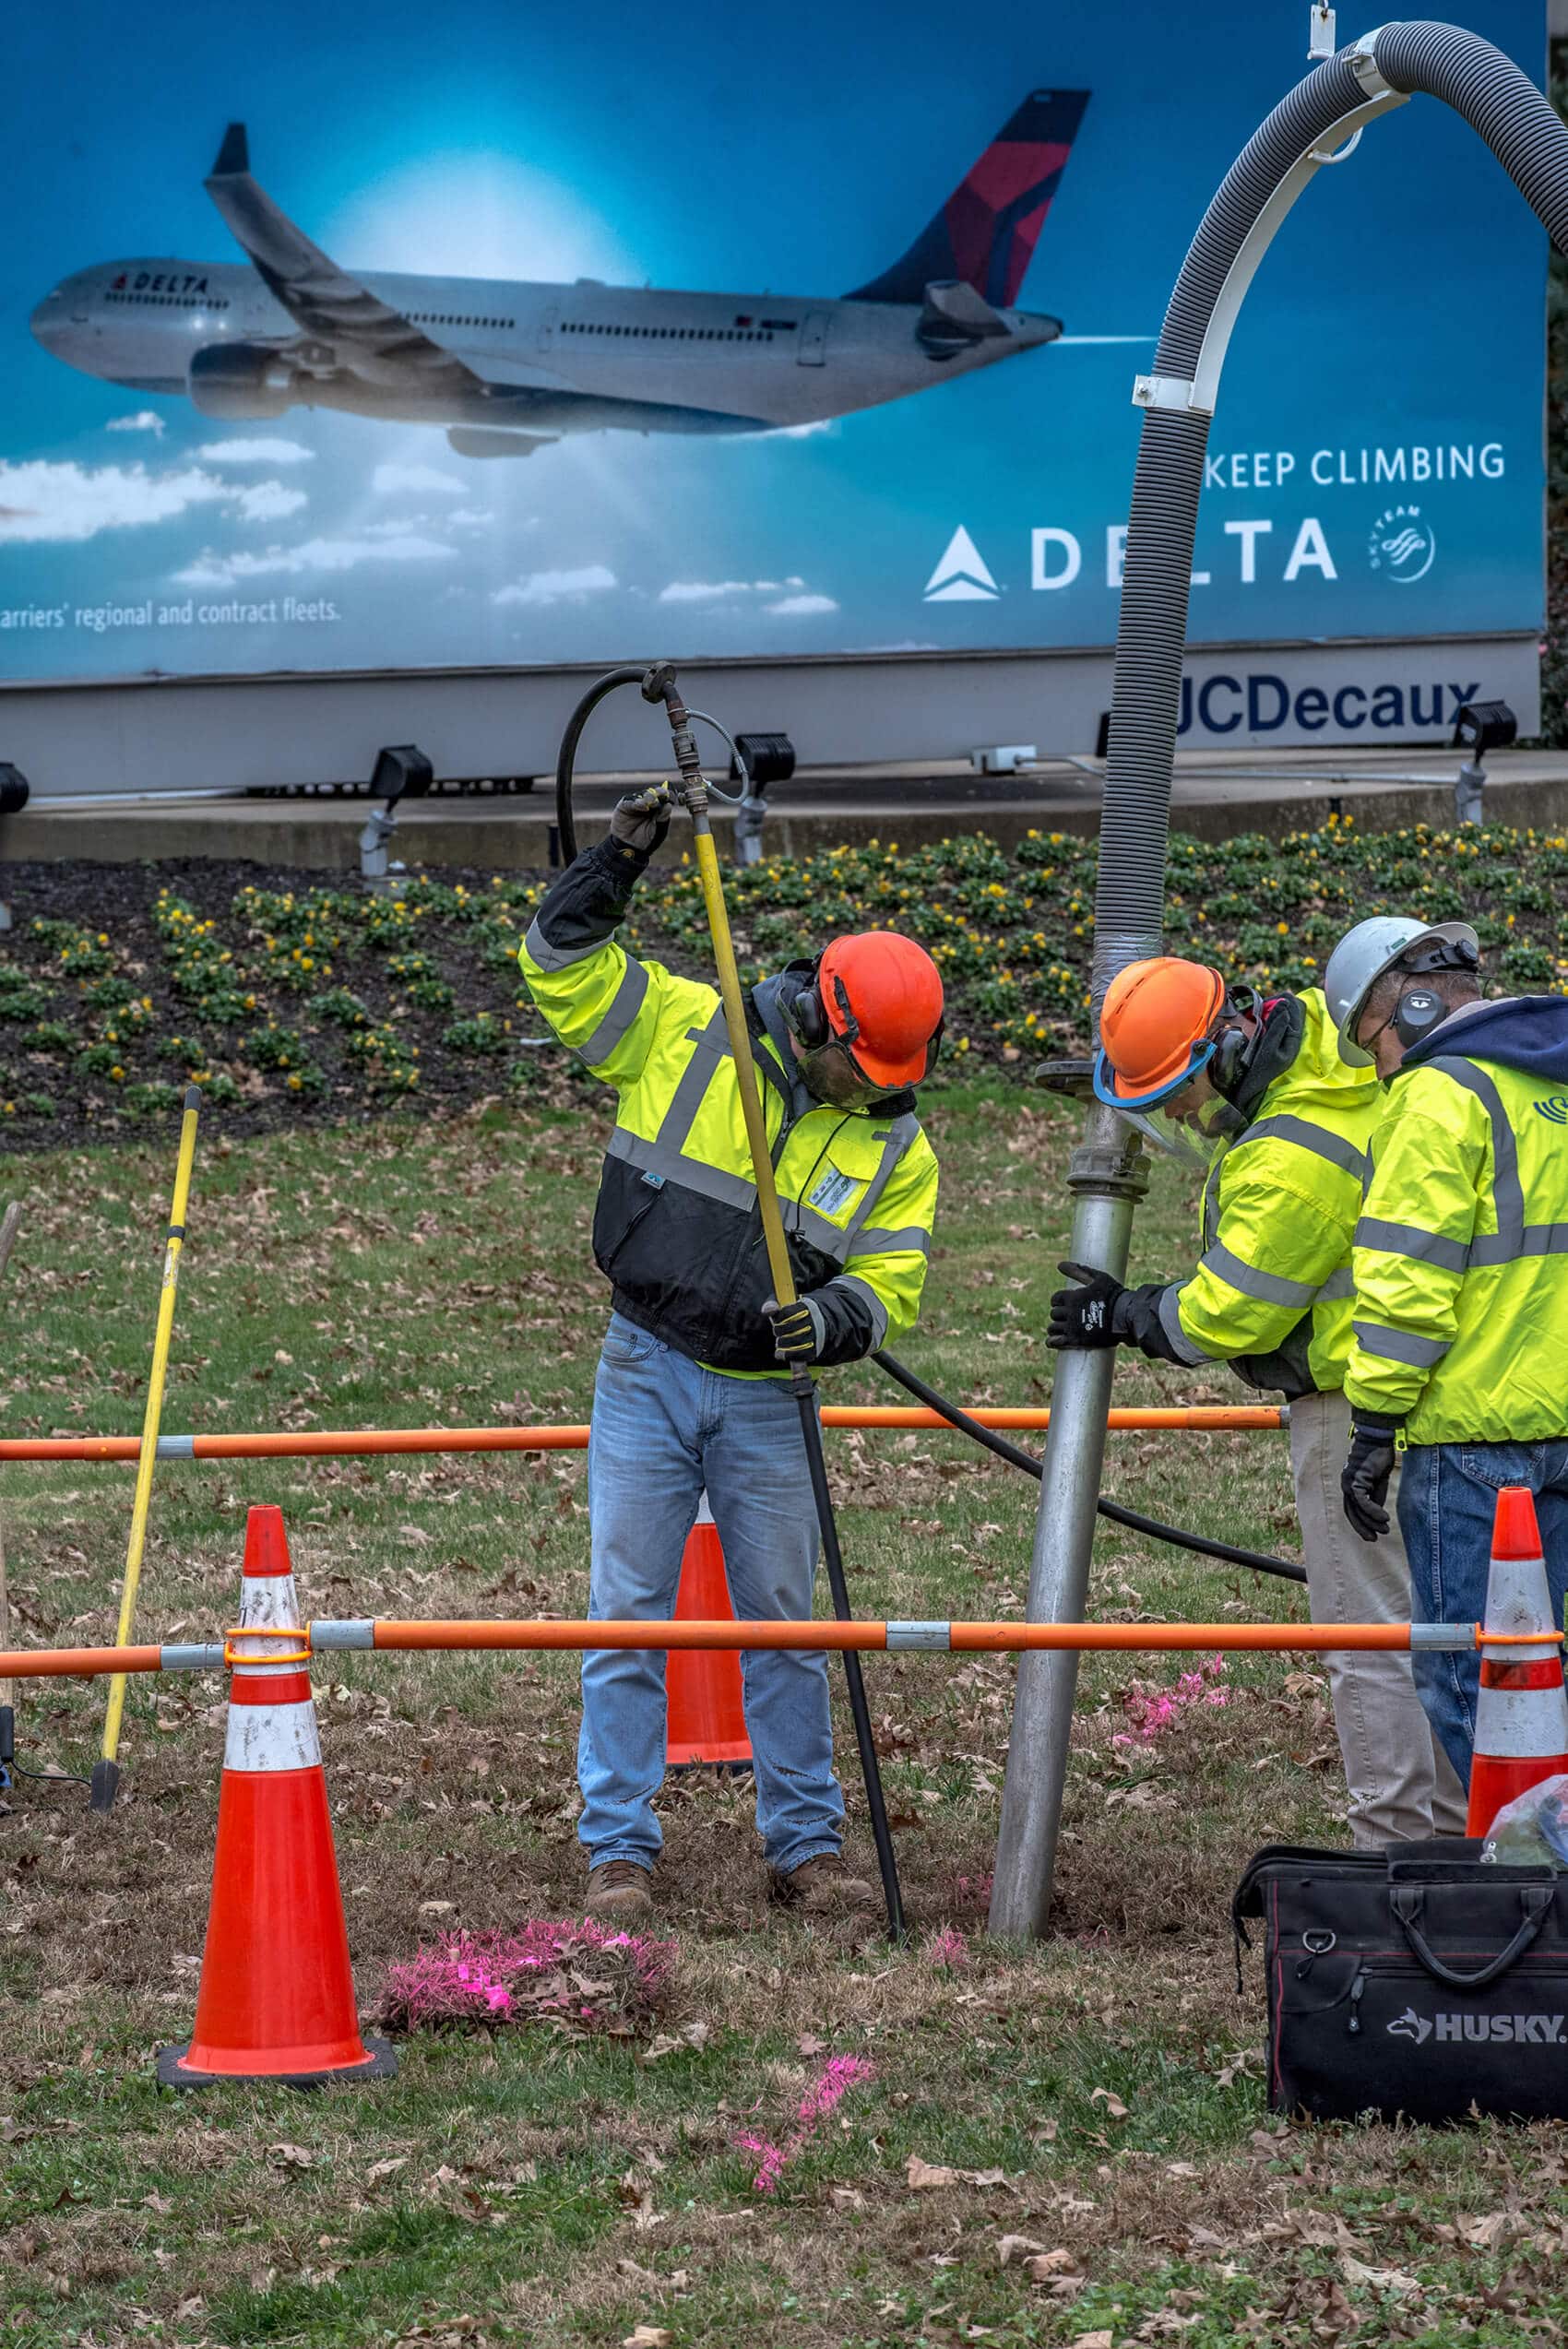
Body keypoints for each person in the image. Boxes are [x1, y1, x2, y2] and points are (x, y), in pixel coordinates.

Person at [519, 784, 944, 1920]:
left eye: (895, 1083)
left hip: (769, 1400)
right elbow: (557, 966)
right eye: (864, 1073)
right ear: (813, 1021)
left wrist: (840, 1319)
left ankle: (804, 1849)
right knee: (627, 1615)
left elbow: (891, 1278)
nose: (879, 1098)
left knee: (786, 1629)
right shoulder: (683, 1025)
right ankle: (617, 1848)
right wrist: (618, 856)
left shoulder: (896, 1143)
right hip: (644, 1364)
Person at [1048, 954, 1465, 1846]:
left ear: (1222, 1054)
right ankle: (1459, 1831)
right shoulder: (1333, 1038)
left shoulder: (1284, 1159)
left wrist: (1129, 1312)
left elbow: (1231, 1312)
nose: (1181, 1118)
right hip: (1434, 1385)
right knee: (1435, 1622)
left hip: (1349, 1400)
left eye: (1179, 1099)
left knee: (1370, 1636)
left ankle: (1397, 1848)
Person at [1329, 915, 1568, 1783]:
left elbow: (1405, 1286)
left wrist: (1371, 1429)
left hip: (1474, 1444)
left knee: (1476, 1684)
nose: (1380, 1068)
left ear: (1413, 1005)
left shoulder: (1439, 1098)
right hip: (1559, 1433)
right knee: (1547, 1674)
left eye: (1372, 1044)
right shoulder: (1551, 1084)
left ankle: (1538, 1876)